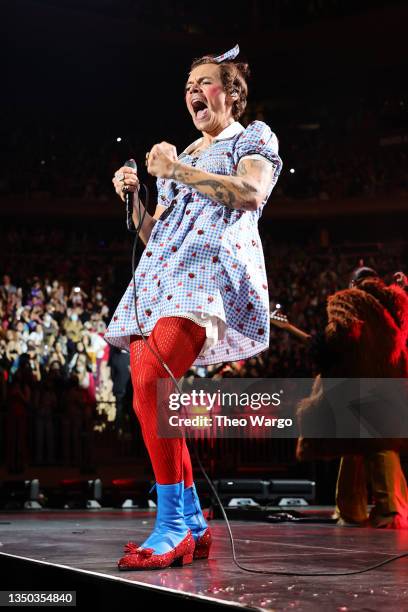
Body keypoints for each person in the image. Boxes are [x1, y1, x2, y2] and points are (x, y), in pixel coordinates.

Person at [105, 44, 282, 570]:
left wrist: (177, 171)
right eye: (187, 88)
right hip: (159, 278)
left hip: (206, 278)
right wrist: (135, 198)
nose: (192, 94)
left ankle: (172, 525)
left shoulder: (253, 137)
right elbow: (154, 232)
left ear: (231, 93)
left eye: (203, 83)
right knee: (146, 389)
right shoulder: (182, 153)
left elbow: (251, 194)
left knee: (149, 380)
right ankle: (193, 521)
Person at [271, 266, 408, 528]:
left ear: (354, 284)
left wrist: (301, 335)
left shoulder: (349, 300)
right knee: (376, 445)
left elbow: (341, 336)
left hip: (357, 388)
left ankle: (368, 512)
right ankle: (385, 509)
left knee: (362, 448)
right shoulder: (396, 306)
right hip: (392, 388)